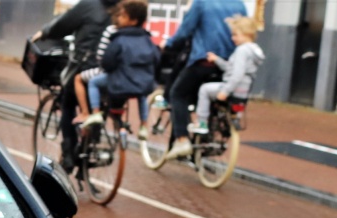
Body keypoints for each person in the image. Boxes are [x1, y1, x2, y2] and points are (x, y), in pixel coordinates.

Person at [31, 0, 121, 169]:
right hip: (110, 71)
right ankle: (90, 143)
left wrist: (45, 32)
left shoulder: (89, 5)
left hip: (84, 66)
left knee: (68, 103)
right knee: (99, 105)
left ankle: (69, 154)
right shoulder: (122, 9)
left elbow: (63, 24)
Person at [161, 0, 246, 161]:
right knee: (208, 95)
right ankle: (208, 133)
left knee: (178, 94)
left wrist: (169, 43)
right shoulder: (240, 4)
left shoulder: (202, 2)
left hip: (205, 60)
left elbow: (185, 30)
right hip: (228, 64)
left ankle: (182, 140)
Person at [75, 0, 160, 140]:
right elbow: (156, 59)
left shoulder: (118, 38)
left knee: (92, 82)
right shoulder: (147, 38)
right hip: (141, 83)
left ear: (132, 20)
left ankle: (94, 113)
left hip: (119, 82)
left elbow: (107, 62)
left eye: (122, 16)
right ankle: (144, 125)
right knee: (142, 94)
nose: (119, 18)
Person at [189, 15, 263, 135]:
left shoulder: (242, 51)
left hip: (233, 89)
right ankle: (234, 119)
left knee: (204, 89)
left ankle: (201, 122)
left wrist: (225, 91)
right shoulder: (254, 52)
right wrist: (217, 60)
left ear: (247, 34)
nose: (232, 38)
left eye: (235, 34)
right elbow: (231, 68)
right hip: (243, 92)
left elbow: (237, 74)